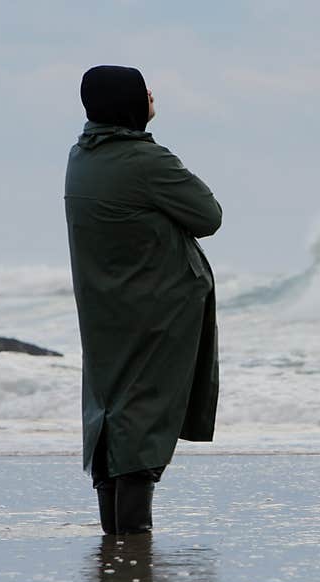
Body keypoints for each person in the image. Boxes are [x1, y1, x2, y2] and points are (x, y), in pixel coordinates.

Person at [64, 65, 222, 534]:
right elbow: (208, 215)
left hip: (104, 310)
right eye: (142, 89)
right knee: (144, 428)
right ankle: (132, 545)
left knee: (112, 416)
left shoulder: (81, 156)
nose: (151, 93)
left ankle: (116, 543)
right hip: (155, 312)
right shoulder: (144, 162)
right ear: (127, 103)